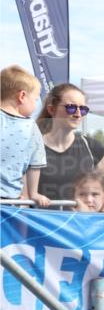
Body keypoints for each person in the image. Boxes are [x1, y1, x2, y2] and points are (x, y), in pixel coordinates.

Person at [36, 83, 104, 201]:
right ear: (51, 109)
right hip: (39, 219)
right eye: (71, 108)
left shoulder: (94, 149)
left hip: (82, 219)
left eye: (83, 109)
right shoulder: (32, 146)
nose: (78, 114)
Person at [0, 64, 49, 206]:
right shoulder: (30, 127)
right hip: (10, 201)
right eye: (35, 99)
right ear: (22, 96)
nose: (36, 105)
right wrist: (33, 193)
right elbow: (35, 163)